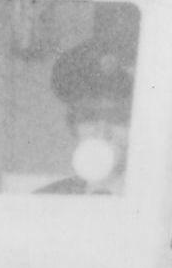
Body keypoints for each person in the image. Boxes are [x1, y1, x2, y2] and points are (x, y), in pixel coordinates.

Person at [41, 33, 136, 195]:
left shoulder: (162, 201)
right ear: (72, 125)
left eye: (118, 118)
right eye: (89, 117)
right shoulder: (44, 202)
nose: (102, 132)